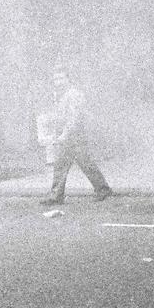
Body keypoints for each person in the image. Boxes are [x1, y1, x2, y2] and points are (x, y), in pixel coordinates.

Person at [39, 68, 113, 205]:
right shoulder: (61, 95)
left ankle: (101, 189)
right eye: (56, 79)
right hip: (69, 137)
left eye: (61, 78)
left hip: (75, 136)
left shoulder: (74, 95)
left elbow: (74, 118)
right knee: (69, 164)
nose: (58, 82)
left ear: (68, 79)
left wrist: (64, 135)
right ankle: (101, 189)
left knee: (83, 164)